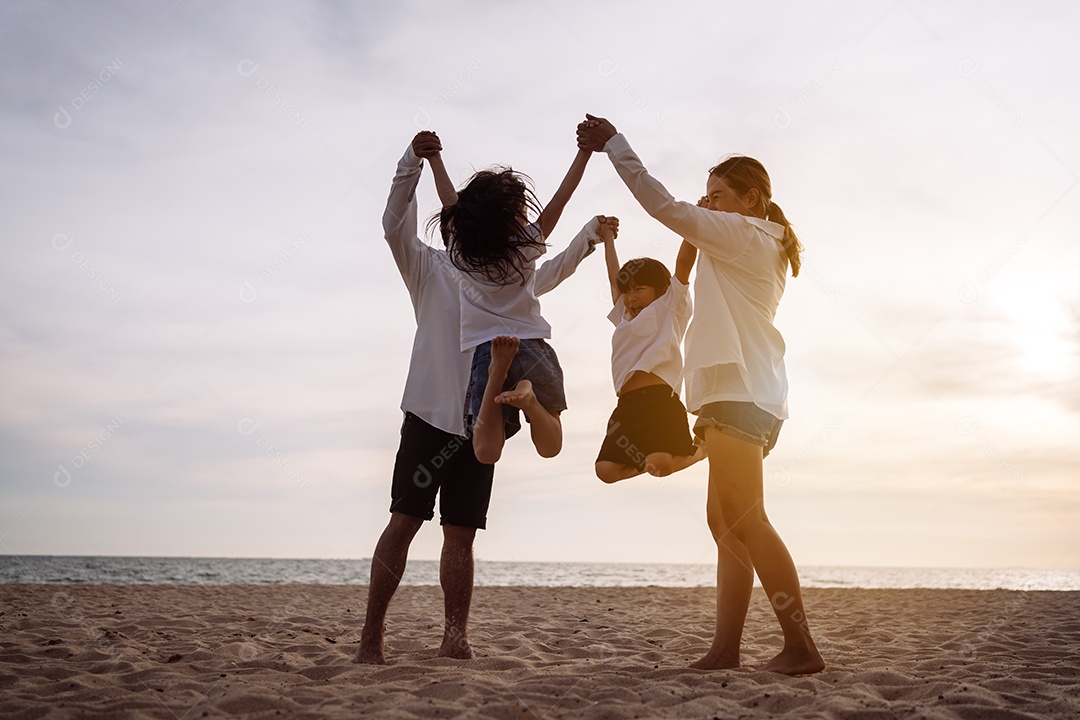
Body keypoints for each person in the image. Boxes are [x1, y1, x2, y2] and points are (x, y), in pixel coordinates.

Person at [577, 115, 825, 675]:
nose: (707, 202)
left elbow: (664, 208)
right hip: (732, 391)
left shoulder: (746, 235)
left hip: (742, 391)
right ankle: (726, 649)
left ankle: (802, 647)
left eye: (718, 195)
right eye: (706, 195)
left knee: (747, 518)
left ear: (752, 200)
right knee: (727, 524)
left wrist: (615, 145)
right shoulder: (741, 238)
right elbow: (685, 236)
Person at [354, 131, 601, 665]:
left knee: (461, 534)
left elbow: (543, 272)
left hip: (481, 414)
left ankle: (454, 637)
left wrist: (584, 241)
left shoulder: (501, 268)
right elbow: (394, 222)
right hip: (428, 413)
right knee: (403, 521)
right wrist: (414, 161)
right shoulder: (431, 265)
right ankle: (371, 635)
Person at [428, 139, 598, 465]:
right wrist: (584, 152)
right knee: (551, 446)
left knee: (486, 453)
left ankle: (498, 374)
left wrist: (435, 159)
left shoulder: (461, 251)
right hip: (530, 344)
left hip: (487, 351)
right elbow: (562, 196)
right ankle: (530, 400)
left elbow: (449, 203)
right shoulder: (526, 244)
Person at [595, 215, 704, 483]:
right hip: (628, 405)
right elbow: (614, 279)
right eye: (628, 292)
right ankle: (647, 461)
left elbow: (683, 264)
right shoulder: (624, 317)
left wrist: (695, 220)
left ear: (661, 289)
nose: (631, 298)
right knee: (605, 471)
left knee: (659, 464)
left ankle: (702, 450)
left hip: (660, 400)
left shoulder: (669, 306)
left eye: (640, 289)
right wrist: (607, 239)